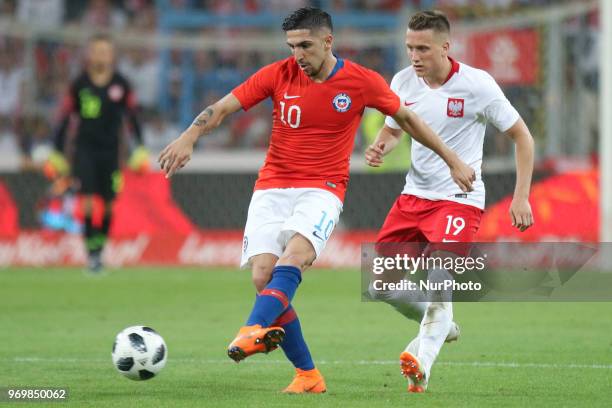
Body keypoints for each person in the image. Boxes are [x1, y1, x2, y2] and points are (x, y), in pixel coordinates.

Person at [158, 7, 475, 394]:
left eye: (305, 46)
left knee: (294, 260)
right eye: (292, 47)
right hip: (271, 187)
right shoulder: (278, 74)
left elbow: (408, 120)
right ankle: (308, 375)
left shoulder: (360, 81)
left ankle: (252, 329)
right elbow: (223, 107)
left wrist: (453, 159)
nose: (298, 55)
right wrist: (190, 135)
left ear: (328, 42)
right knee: (262, 277)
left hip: (321, 190)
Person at [365, 10, 535, 393]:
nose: (414, 56)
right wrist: (381, 145)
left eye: (422, 48)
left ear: (446, 47)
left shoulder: (478, 85)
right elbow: (395, 130)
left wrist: (521, 195)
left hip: (459, 198)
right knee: (379, 285)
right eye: (409, 47)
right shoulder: (403, 81)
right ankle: (442, 326)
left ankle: (421, 364)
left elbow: (523, 137)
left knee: (439, 279)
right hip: (413, 197)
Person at [53, 34, 145, 272]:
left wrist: (140, 149)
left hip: (112, 152)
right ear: (89, 55)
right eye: (96, 51)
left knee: (109, 205)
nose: (101, 55)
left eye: (105, 51)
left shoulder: (121, 84)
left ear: (112, 56)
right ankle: (91, 253)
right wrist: (57, 152)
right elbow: (65, 119)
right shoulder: (79, 84)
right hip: (84, 150)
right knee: (87, 203)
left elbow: (132, 119)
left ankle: (99, 250)